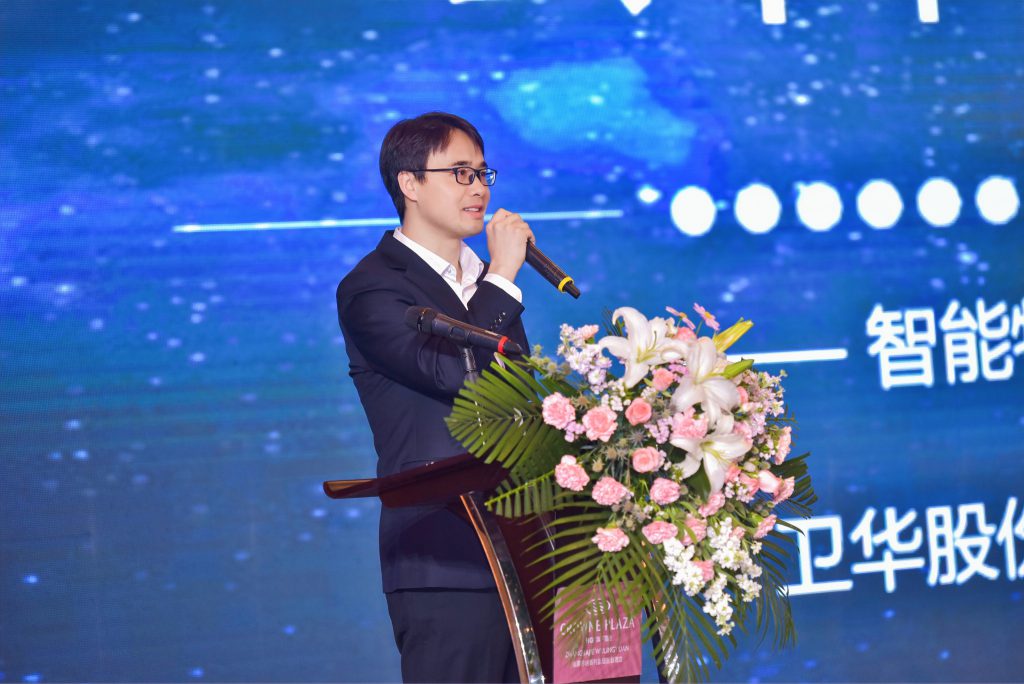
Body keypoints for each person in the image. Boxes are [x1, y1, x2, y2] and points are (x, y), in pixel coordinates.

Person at [336, 112, 534, 683]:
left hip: (529, 549)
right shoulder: (374, 286)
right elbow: (456, 373)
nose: (479, 188)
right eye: (460, 172)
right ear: (410, 183)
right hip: (444, 560)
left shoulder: (485, 281)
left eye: (482, 172)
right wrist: (503, 277)